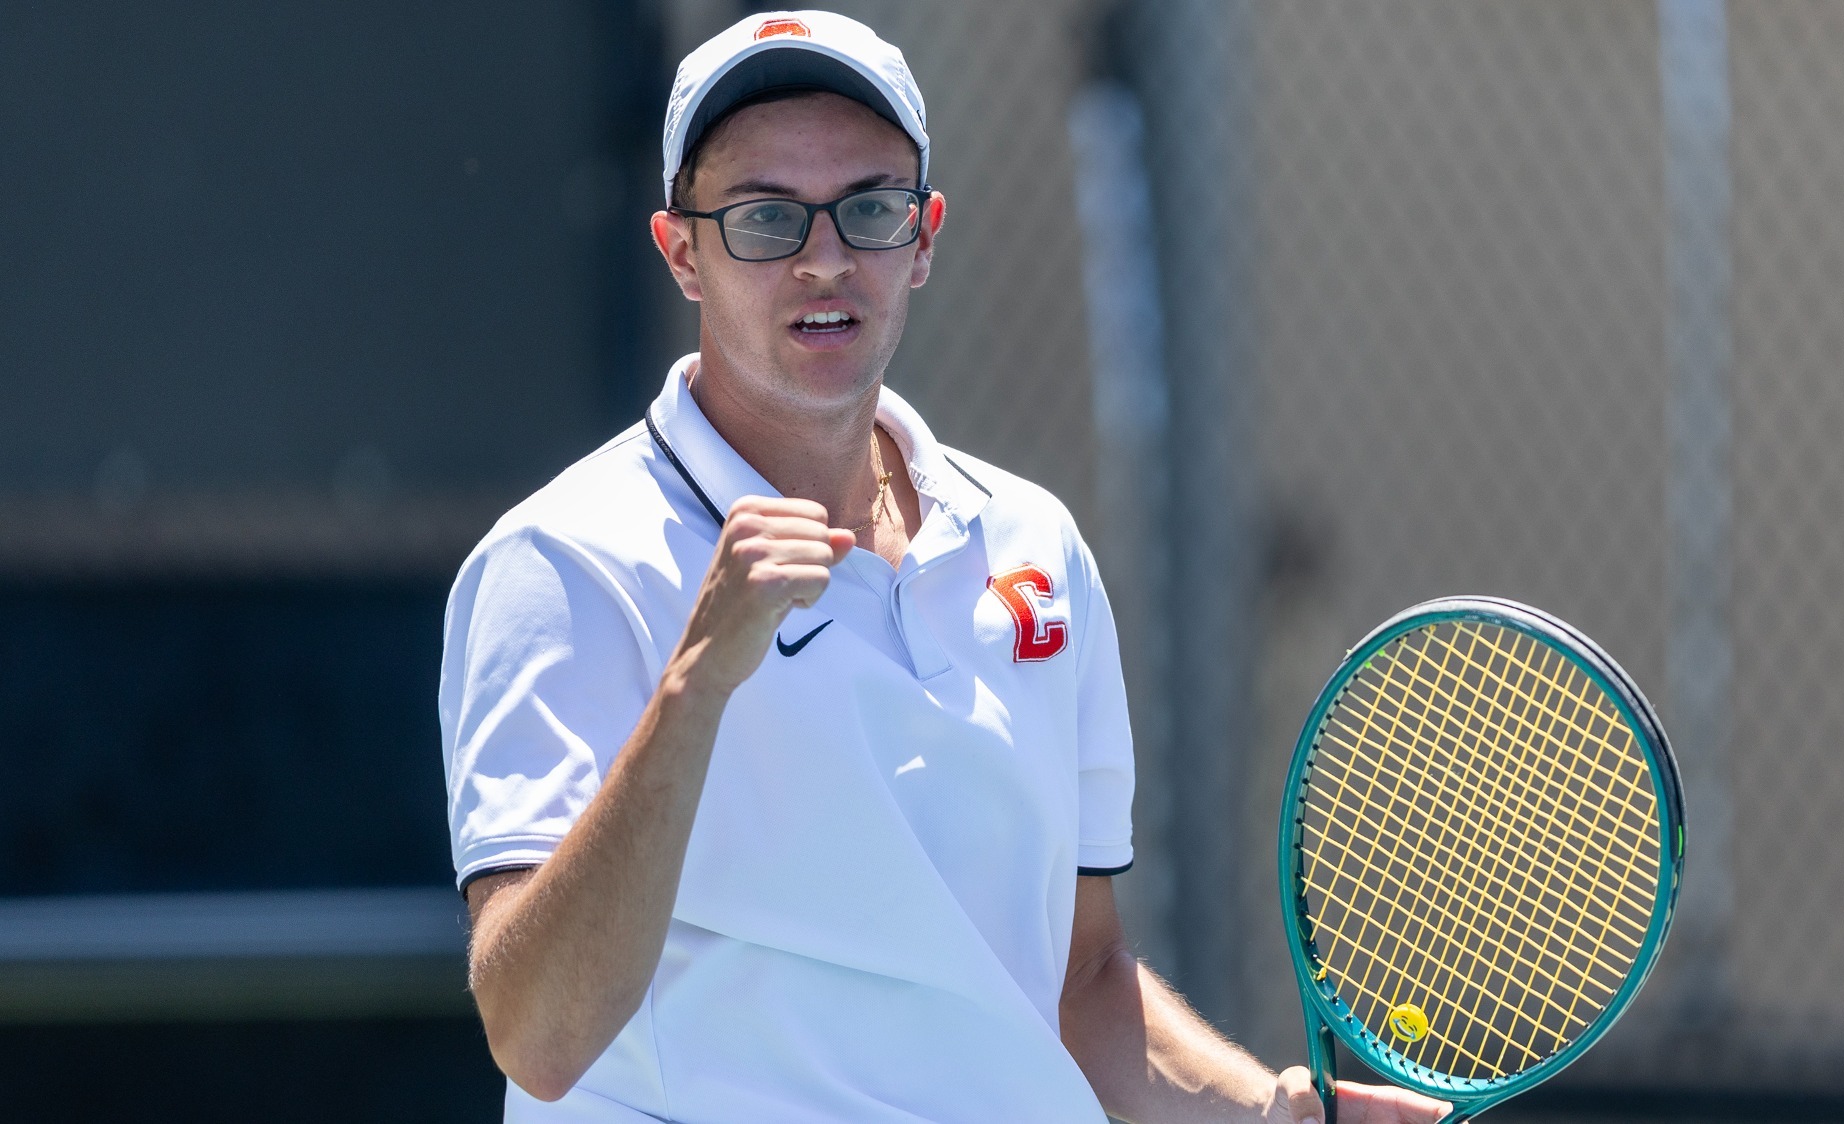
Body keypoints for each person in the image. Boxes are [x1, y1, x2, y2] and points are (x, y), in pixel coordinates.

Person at [439, 10, 1448, 1123]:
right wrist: (695, 682)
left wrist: (1279, 1115)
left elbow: (1074, 981)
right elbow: (537, 1034)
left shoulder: (1033, 542)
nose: (824, 257)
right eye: (765, 217)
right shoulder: (559, 560)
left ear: (921, 238)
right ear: (682, 251)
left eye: (867, 209)